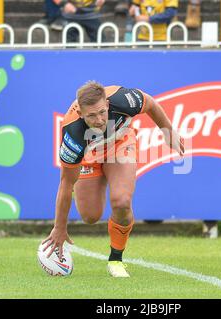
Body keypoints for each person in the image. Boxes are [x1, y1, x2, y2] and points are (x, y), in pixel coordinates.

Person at [42, 81, 184, 277]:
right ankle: (96, 178)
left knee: (122, 201)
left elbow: (150, 103)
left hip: (120, 145)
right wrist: (59, 228)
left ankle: (116, 259)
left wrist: (168, 131)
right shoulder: (72, 133)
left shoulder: (123, 100)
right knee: (90, 216)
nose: (99, 120)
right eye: (91, 115)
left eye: (102, 112)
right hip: (88, 157)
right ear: (81, 114)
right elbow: (66, 184)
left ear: (107, 105)